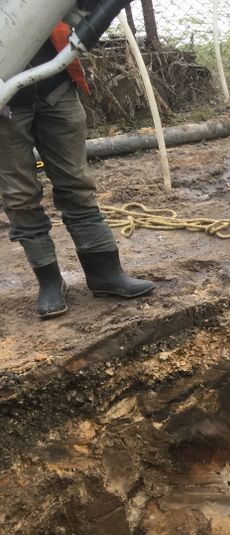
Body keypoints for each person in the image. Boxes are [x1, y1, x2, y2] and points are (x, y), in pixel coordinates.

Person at [0, 23, 155, 320]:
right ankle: (49, 281)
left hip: (55, 86)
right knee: (19, 195)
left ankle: (105, 273)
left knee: (76, 182)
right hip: (5, 101)